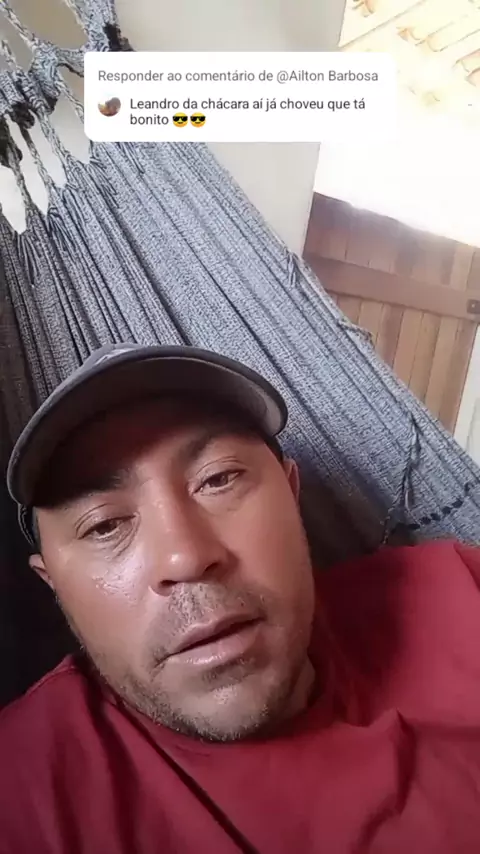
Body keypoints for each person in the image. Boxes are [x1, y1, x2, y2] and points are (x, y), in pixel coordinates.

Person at [1, 342, 480, 854]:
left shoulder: (456, 592)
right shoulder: (23, 789)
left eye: (218, 479)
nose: (186, 558)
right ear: (54, 585)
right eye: (104, 526)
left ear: (291, 493)